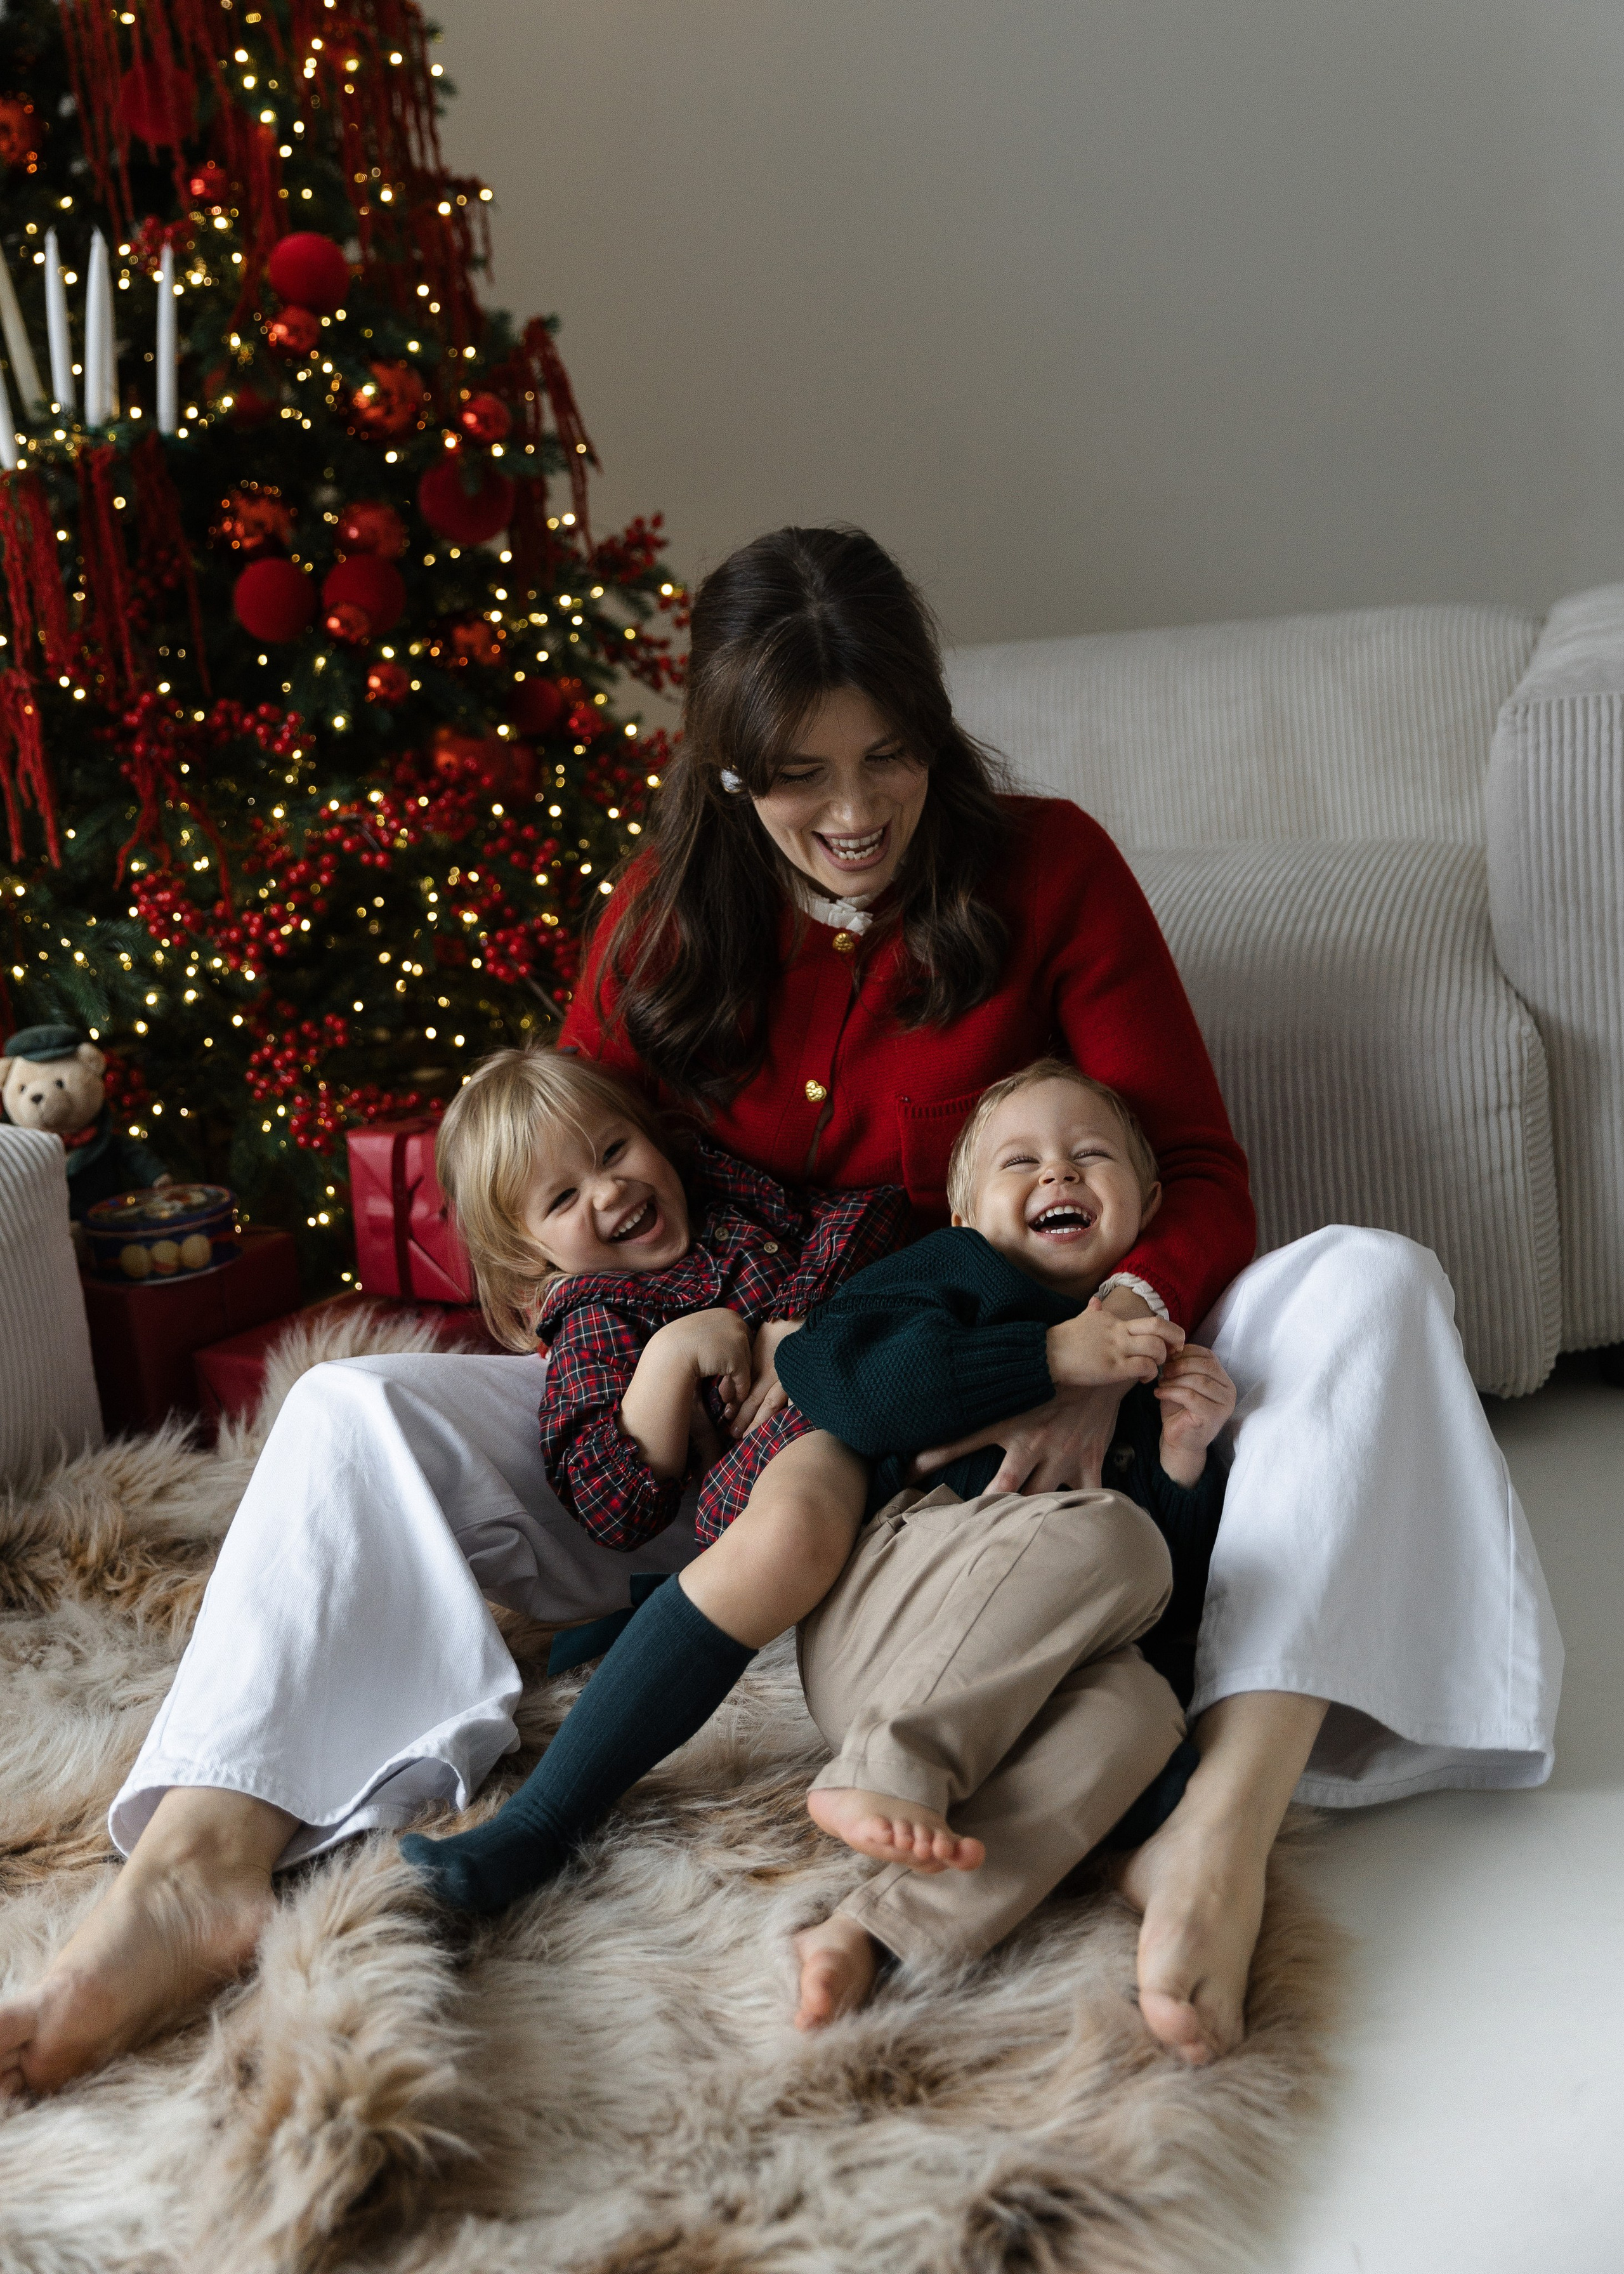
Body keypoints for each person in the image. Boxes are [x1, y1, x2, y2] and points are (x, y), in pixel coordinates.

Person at [0, 525, 1561, 2095]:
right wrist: (643, 1350)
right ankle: (195, 1863)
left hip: (977, 1438)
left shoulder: (1051, 867)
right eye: (802, 776)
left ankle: (1219, 1819)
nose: (858, 810)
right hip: (708, 1465)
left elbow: (1199, 1168)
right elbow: (559, 1199)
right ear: (730, 776)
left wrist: (1096, 1352)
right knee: (348, 1407)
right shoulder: (661, 920)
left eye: (888, 756)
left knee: (1369, 1277)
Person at [776, 1058, 1238, 2030]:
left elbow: (1175, 1604)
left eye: (1089, 1157)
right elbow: (825, 1371)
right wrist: (1042, 1355)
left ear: (1148, 1205)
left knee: (1144, 1709)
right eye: (1019, 1162)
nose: (1058, 1177)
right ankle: (888, 1768)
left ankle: (874, 1936)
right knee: (1117, 1536)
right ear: (963, 1215)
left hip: (1022, 1685)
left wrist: (1187, 1463)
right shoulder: (955, 1280)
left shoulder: (1160, 1363)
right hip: (888, 1613)